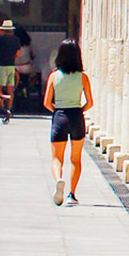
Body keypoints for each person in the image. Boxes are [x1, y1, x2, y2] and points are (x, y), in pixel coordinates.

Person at [44, 40, 93, 206]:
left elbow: (46, 102)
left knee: (57, 158)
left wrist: (58, 112)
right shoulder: (83, 77)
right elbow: (90, 102)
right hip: (76, 116)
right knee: (76, 159)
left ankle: (59, 179)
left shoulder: (54, 76)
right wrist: (80, 111)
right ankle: (72, 194)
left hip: (60, 115)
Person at [0, 19, 19, 124]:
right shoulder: (16, 40)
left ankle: (2, 110)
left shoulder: (1, 39)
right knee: (9, 88)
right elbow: (17, 54)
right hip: (11, 66)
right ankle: (9, 109)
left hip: (2, 65)